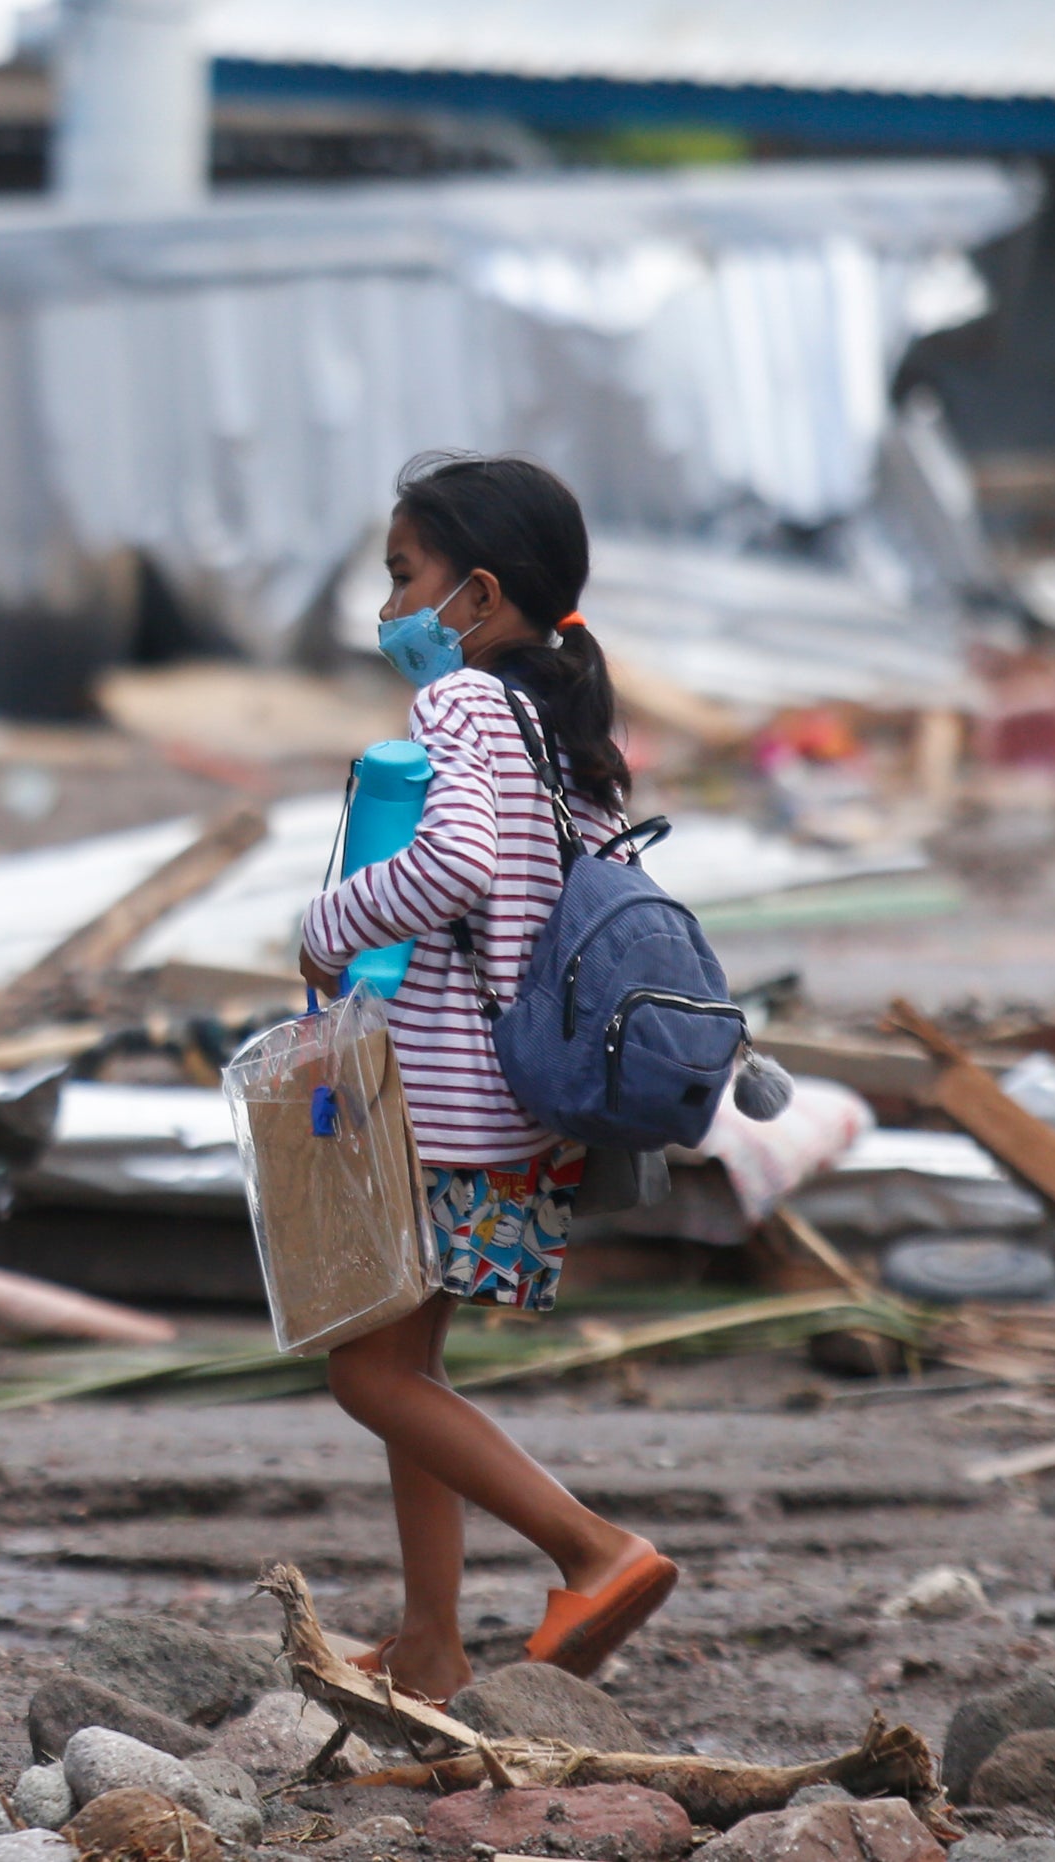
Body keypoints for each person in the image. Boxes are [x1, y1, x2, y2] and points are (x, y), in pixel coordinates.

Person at [293, 452, 677, 1700]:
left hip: (443, 1102)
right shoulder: (559, 726)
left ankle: (592, 1547)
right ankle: (429, 1642)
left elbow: (453, 864)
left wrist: (329, 923)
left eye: (404, 575)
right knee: (411, 1371)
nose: (387, 606)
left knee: (369, 1372)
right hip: (519, 1107)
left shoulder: (463, 706)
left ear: (479, 595)